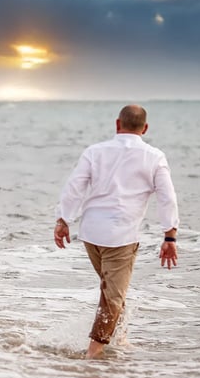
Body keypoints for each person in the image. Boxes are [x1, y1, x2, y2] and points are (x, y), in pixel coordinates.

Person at [53, 104, 179, 359]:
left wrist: (63, 219)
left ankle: (119, 338)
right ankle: (94, 352)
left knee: (111, 289)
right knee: (113, 295)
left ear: (117, 124)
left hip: (91, 234)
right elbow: (167, 198)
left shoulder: (95, 151)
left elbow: (75, 186)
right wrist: (170, 235)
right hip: (121, 237)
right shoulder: (154, 156)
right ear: (145, 128)